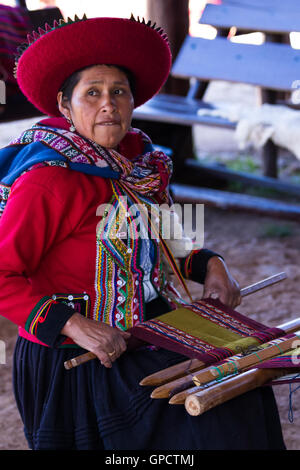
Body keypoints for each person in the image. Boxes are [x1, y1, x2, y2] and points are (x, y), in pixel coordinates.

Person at [0, 15, 285, 450]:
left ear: (133, 101)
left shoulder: (144, 168)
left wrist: (214, 266)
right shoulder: (49, 181)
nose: (108, 105)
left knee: (241, 390)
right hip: (80, 359)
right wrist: (76, 325)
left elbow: (173, 244)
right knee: (210, 426)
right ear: (64, 105)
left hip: (148, 335)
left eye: (118, 92)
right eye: (91, 94)